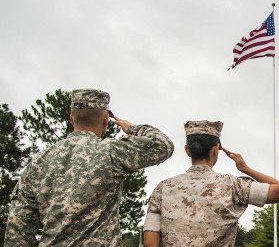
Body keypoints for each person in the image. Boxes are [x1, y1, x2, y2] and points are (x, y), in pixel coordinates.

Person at [5, 88, 174, 246]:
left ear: (72, 119)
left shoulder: (38, 162)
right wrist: (133, 128)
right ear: (106, 120)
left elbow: (18, 226)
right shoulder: (111, 152)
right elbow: (163, 145)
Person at [143, 120, 279, 247]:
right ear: (215, 150)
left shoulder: (162, 188)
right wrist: (245, 169)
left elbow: (150, 243)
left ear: (188, 150)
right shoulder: (233, 186)